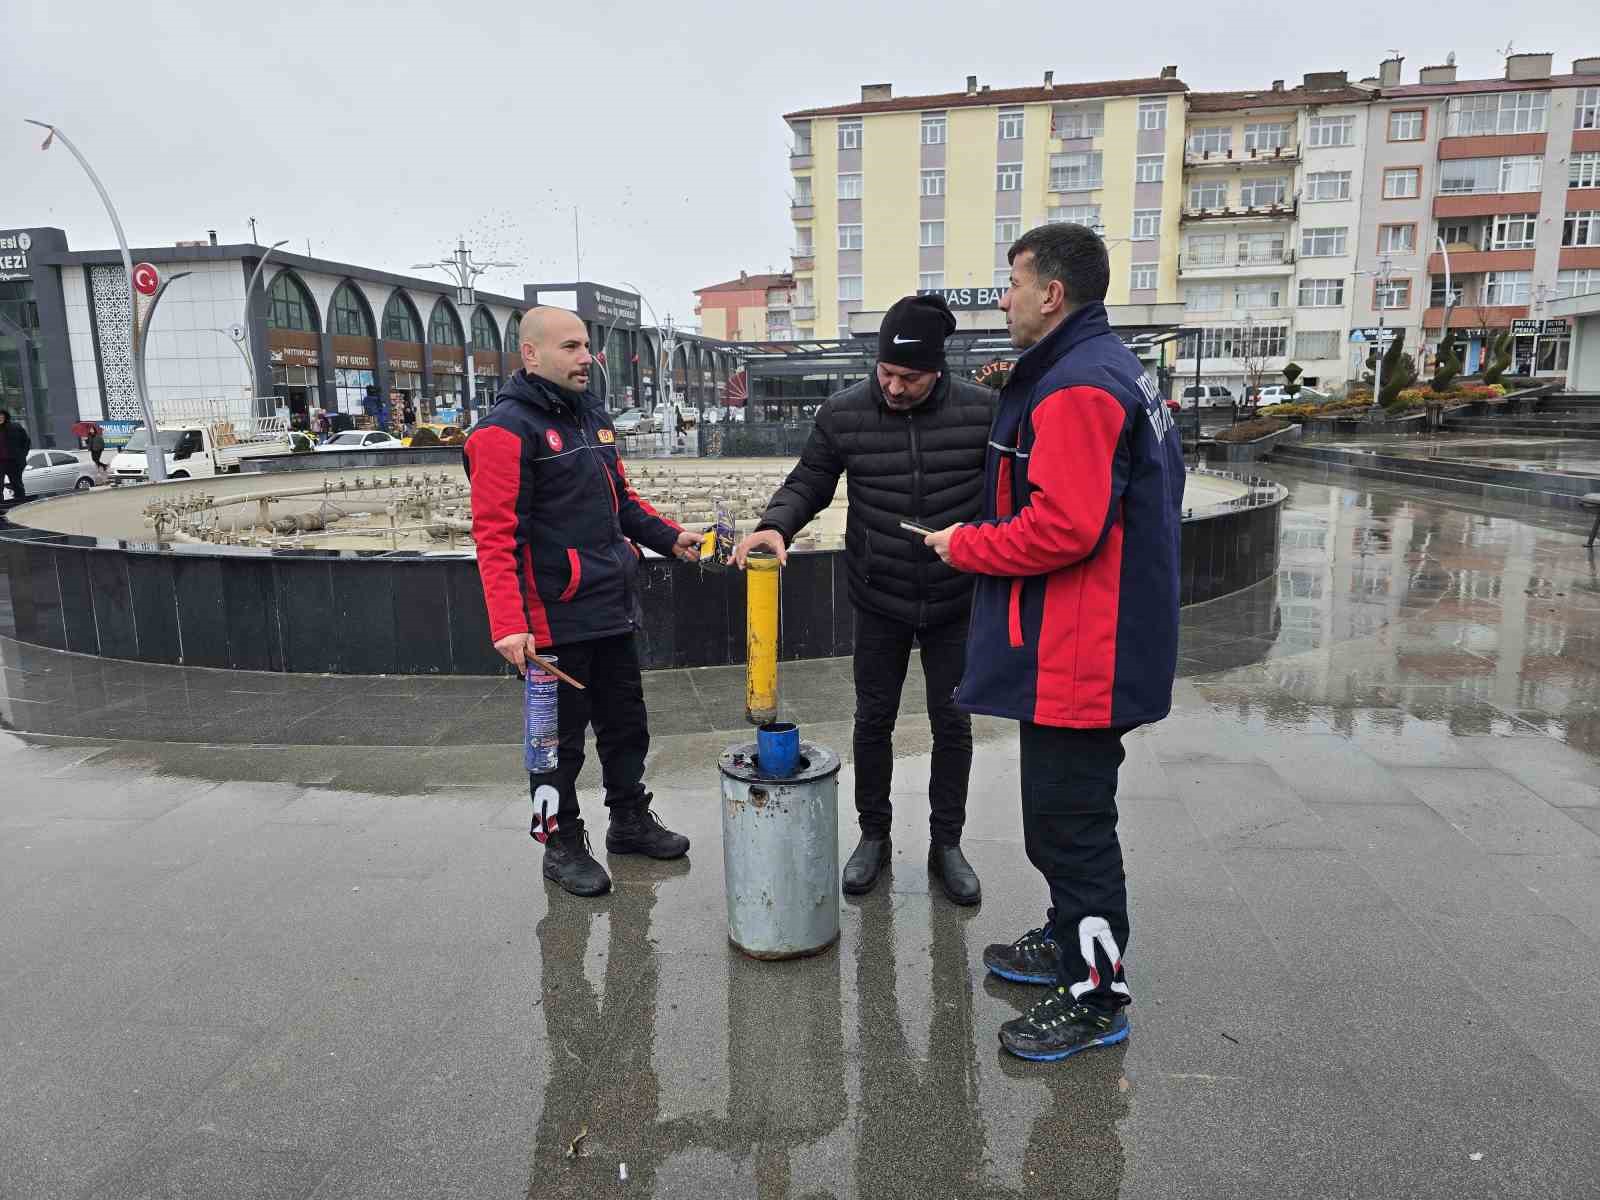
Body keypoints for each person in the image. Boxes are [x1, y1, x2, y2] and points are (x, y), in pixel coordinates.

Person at [925, 223, 1184, 1061]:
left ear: (1052, 295)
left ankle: (1097, 995)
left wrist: (966, 544)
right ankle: (1067, 935)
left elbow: (1065, 527)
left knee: (1070, 828)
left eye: (1012, 283)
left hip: (1085, 651)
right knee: (1062, 819)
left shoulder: (1079, 385)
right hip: (1097, 638)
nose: (1001, 299)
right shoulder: (1103, 367)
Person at [733, 294, 994, 905]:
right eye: (886, 373)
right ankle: (873, 836)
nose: (895, 387)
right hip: (879, 595)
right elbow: (810, 479)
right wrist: (777, 524)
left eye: (910, 377)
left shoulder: (987, 412)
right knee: (873, 718)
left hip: (958, 596)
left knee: (953, 722)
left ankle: (946, 844)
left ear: (938, 370)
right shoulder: (844, 412)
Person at [464, 307, 702, 898]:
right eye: (570, 346)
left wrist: (671, 538)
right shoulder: (504, 431)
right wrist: (509, 626)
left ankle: (628, 821)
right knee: (554, 748)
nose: (585, 358)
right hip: (549, 626)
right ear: (530, 354)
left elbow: (622, 503)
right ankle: (560, 843)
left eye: (587, 346)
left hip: (610, 608)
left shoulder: (591, 419)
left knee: (626, 728)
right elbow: (496, 537)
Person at [0, 409, 30, 503]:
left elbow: (26, 442)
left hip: (13, 462)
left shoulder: (15, 427)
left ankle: (21, 504)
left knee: (17, 484)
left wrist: (22, 455)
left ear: (5, 417)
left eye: (1, 416)